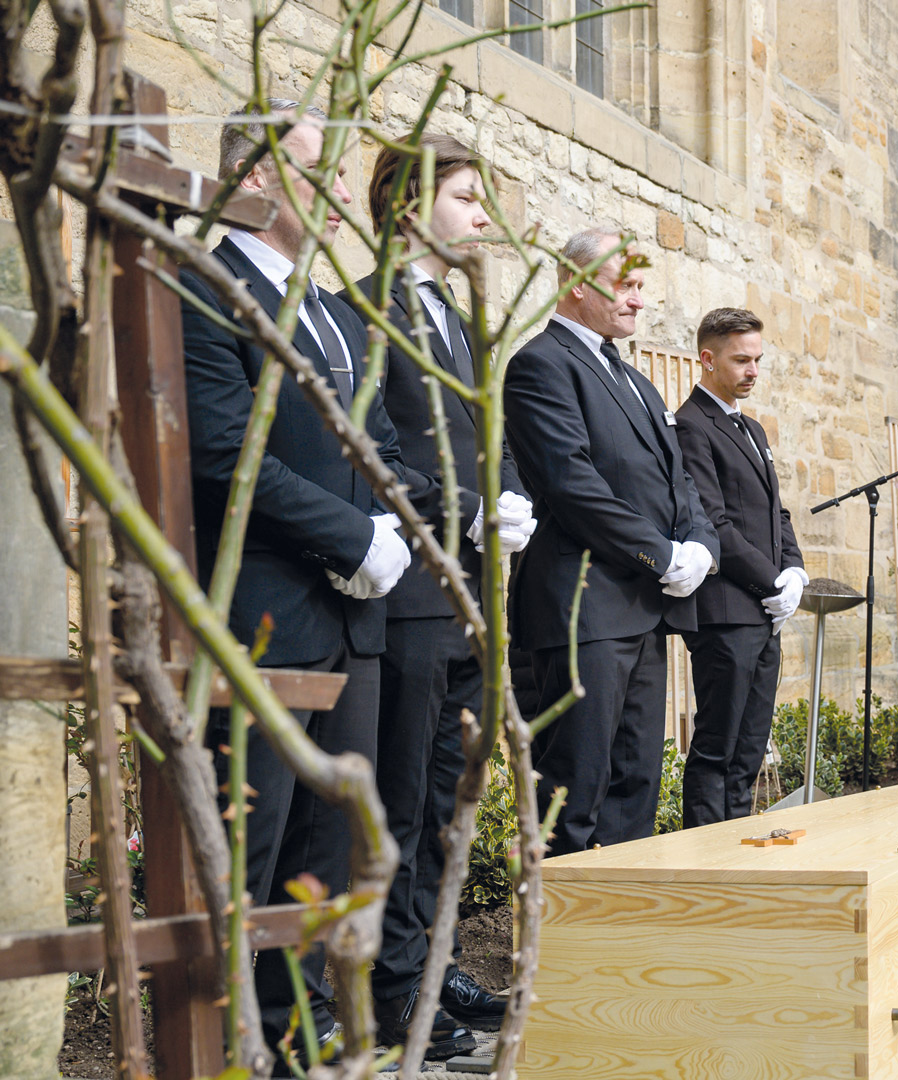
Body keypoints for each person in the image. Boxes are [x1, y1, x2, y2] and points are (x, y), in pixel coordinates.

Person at [182, 100, 441, 1064]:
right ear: (256, 178)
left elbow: (369, 440)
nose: (341, 191)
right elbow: (224, 449)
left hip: (353, 619)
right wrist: (349, 534)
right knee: (258, 849)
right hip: (265, 613)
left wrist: (399, 521)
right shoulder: (205, 284)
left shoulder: (325, 309)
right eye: (319, 170)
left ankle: (301, 1035)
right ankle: (241, 1043)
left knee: (328, 854)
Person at [356, 134, 526, 1051]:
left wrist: (505, 503)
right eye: (468, 198)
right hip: (412, 588)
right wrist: (457, 506)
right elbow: (375, 441)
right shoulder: (369, 309)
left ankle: (431, 963)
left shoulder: (453, 313)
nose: (483, 218)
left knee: (445, 795)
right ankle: (392, 993)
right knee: (406, 790)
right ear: (414, 208)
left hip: (464, 586)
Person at [503, 228, 718, 854]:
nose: (637, 300)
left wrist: (700, 547)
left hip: (643, 610)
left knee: (636, 787)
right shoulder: (540, 365)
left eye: (639, 287)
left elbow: (681, 482)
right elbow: (573, 486)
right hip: (582, 609)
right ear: (575, 284)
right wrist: (662, 553)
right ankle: (557, 947)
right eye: (625, 285)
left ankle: (621, 941)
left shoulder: (636, 381)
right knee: (574, 788)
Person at [673, 309, 806, 826]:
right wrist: (771, 580)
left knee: (749, 749)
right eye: (741, 360)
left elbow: (777, 513)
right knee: (717, 746)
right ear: (707, 359)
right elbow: (713, 522)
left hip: (764, 610)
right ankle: (706, 860)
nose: (753, 370)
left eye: (758, 360)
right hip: (725, 610)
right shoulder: (690, 425)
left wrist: (794, 571)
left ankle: (737, 850)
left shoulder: (752, 428)